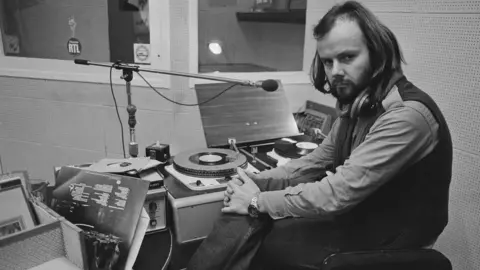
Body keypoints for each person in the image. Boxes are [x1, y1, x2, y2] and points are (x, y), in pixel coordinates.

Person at [188, 1, 453, 269]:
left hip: (392, 239)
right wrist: (254, 181)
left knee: (268, 234)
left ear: (377, 54)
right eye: (328, 61)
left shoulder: (406, 116)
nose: (335, 71)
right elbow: (312, 163)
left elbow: (336, 193)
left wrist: (256, 200)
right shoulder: (359, 106)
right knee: (258, 221)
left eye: (348, 57)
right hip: (359, 219)